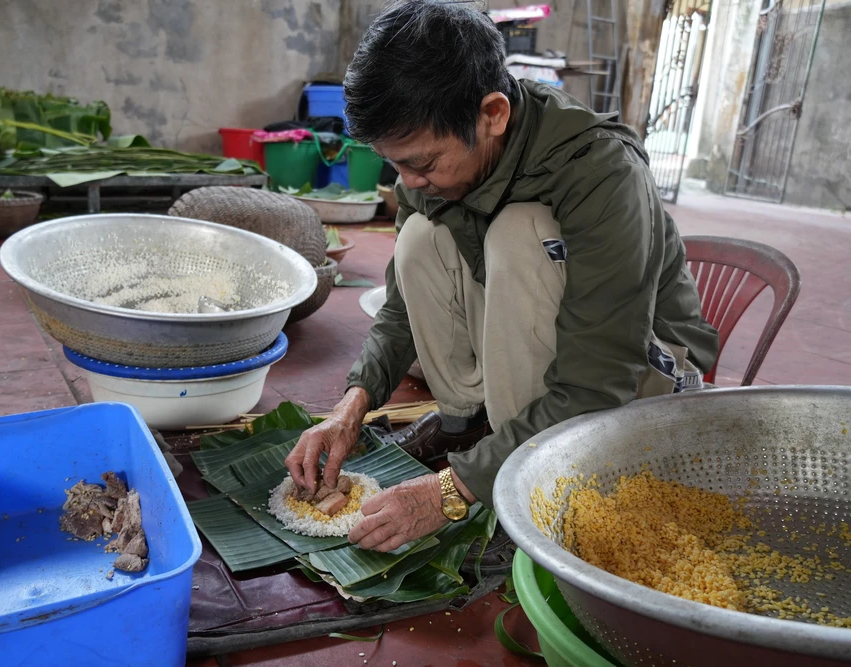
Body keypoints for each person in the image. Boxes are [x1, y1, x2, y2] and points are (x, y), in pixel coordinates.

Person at [284, 0, 718, 553]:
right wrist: (350, 408)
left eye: (421, 163)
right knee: (421, 236)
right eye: (395, 164)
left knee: (519, 229)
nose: (408, 180)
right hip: (546, 368)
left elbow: (597, 379)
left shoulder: (600, 171)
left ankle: (522, 471)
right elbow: (400, 311)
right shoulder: (430, 169)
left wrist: (449, 491)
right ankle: (467, 427)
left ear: (493, 113)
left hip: (641, 381)